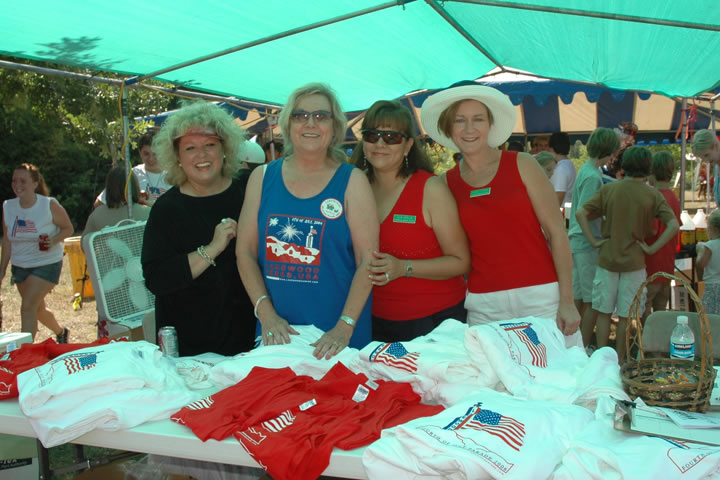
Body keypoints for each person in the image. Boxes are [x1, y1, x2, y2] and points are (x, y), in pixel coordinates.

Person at [420, 85, 581, 346]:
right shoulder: (445, 184)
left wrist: (567, 301)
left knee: (562, 369)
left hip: (541, 298)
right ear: (449, 128)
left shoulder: (522, 164)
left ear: (490, 124)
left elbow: (557, 233)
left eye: (478, 119)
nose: (469, 129)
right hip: (485, 305)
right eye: (459, 120)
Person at [236, 83, 378, 359]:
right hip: (277, 334)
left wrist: (344, 327)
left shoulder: (353, 181)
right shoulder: (262, 178)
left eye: (321, 116)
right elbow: (245, 253)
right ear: (288, 125)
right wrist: (266, 314)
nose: (310, 123)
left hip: (338, 338)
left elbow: (368, 262)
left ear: (334, 127)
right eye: (300, 115)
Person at [350, 100, 470, 342]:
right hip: (373, 322)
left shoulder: (430, 189)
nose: (380, 143)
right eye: (372, 135)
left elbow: (461, 262)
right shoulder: (354, 186)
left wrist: (404, 267)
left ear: (407, 146)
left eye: (391, 137)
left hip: (435, 324)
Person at [141, 101, 255, 357]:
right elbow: (157, 279)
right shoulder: (167, 209)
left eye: (210, 145)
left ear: (225, 148)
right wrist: (212, 249)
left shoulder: (249, 188)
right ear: (177, 157)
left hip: (251, 340)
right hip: (191, 349)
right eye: (190, 148)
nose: (201, 155)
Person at [575, 146, 679, 362]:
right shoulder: (652, 195)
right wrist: (652, 248)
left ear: (624, 166)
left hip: (607, 259)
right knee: (626, 315)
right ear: (648, 167)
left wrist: (593, 240)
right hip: (635, 262)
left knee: (603, 312)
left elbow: (581, 212)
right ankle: (621, 360)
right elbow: (673, 225)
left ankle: (602, 358)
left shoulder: (610, 189)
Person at [1, 164, 73, 342]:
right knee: (37, 309)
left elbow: (68, 228)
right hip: (20, 266)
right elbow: (7, 241)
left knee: (27, 307)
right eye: (14, 181)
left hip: (47, 263)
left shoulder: (48, 204)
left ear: (35, 183)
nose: (17, 185)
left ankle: (24, 353)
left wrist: (53, 240)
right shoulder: (8, 207)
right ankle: (61, 332)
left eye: (23, 181)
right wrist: (2, 270)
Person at [566, 127, 620, 348]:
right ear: (608, 150)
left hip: (577, 240)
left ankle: (573, 345)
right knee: (591, 301)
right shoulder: (592, 176)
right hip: (585, 242)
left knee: (579, 298)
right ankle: (584, 346)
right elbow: (584, 212)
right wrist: (595, 240)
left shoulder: (589, 170)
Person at [642, 151, 681, 323]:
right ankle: (660, 338)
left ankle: (647, 338)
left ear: (652, 171)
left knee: (644, 305)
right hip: (668, 263)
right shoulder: (673, 197)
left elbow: (652, 230)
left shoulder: (654, 197)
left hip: (652, 264)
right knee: (661, 308)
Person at [94, 132, 172, 209]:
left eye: (155, 154)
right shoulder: (130, 175)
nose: (151, 158)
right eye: (146, 154)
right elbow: (99, 204)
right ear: (140, 153)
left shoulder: (174, 176)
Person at [82, 167, 151, 244]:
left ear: (108, 188)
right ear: (135, 187)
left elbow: (84, 244)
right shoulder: (147, 212)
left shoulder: (97, 214)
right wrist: (152, 205)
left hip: (108, 251)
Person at [696, 209, 720, 315]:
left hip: (712, 286)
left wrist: (700, 251)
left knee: (710, 316)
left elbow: (701, 264)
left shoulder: (710, 245)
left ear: (713, 229)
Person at [692, 129, 720, 206]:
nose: (707, 160)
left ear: (715, 145)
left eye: (707, 155)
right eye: (703, 158)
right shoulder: (716, 166)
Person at [549, 132, 576, 207]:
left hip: (561, 210)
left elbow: (558, 198)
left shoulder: (561, 169)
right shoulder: (568, 164)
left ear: (551, 148)